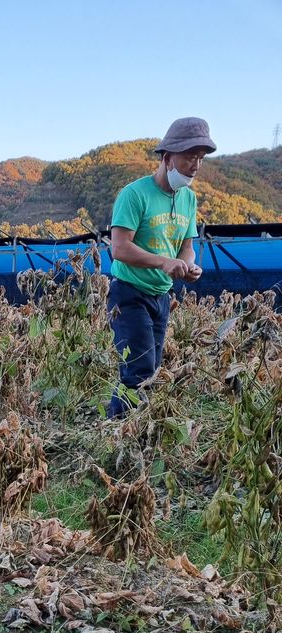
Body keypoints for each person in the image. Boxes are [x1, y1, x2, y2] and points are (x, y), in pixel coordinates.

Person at [106, 117, 216, 417]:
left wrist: (189, 266)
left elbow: (187, 248)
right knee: (139, 367)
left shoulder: (188, 199)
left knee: (151, 368)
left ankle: (124, 425)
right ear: (167, 157)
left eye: (200, 159)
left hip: (160, 296)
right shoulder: (135, 194)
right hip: (129, 293)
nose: (195, 165)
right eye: (189, 157)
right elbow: (119, 248)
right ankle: (118, 432)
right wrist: (164, 262)